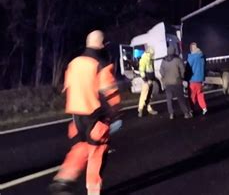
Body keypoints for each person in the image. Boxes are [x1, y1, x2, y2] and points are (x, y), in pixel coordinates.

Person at [49, 30, 121, 195]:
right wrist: (114, 114)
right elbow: (110, 93)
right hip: (96, 115)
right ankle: (94, 192)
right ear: (101, 44)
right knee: (98, 151)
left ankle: (63, 181)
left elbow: (66, 88)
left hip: (76, 116)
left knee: (80, 148)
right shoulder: (101, 62)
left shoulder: (74, 63)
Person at [160, 45, 193, 120]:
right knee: (181, 98)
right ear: (174, 51)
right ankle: (186, 113)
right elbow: (183, 70)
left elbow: (161, 71)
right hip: (177, 82)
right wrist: (182, 77)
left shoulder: (164, 60)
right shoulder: (177, 59)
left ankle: (171, 114)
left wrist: (165, 78)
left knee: (169, 99)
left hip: (167, 83)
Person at [187, 42, 208, 115]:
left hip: (193, 80)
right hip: (200, 79)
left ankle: (192, 110)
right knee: (200, 94)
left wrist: (186, 78)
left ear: (192, 49)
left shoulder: (192, 57)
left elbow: (188, 68)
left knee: (192, 95)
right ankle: (204, 108)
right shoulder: (202, 56)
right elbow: (205, 67)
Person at [137, 46, 158, 117]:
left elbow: (152, 70)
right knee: (144, 95)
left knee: (149, 96)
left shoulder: (150, 59)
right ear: (149, 53)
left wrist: (153, 78)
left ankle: (149, 108)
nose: (153, 55)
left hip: (150, 80)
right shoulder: (144, 59)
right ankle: (140, 109)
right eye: (152, 53)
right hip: (146, 81)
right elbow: (141, 71)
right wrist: (146, 80)